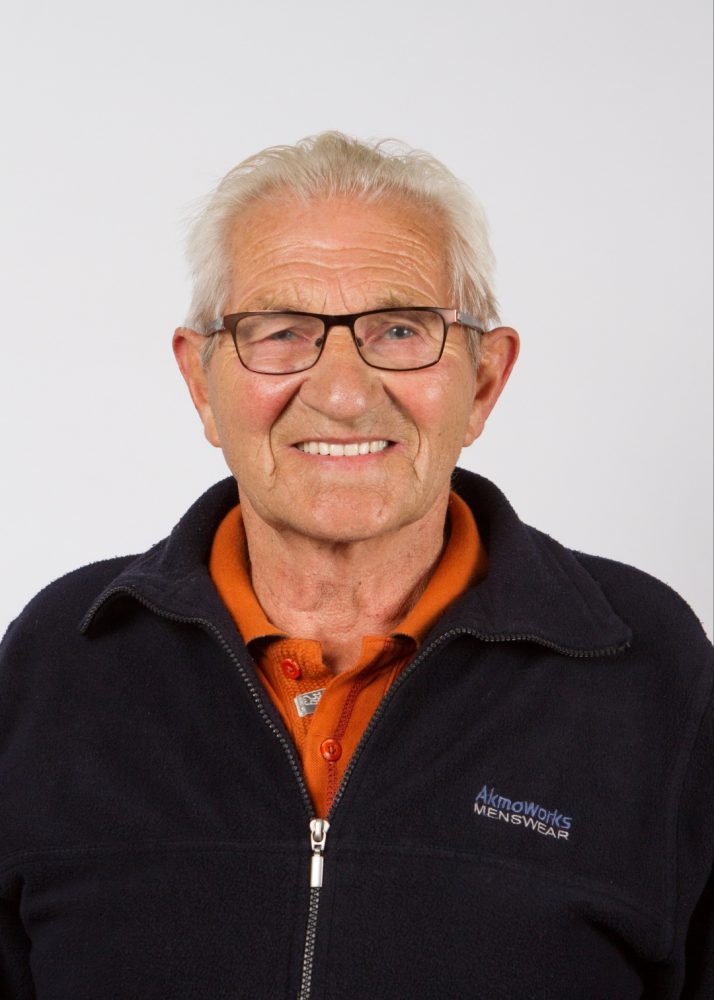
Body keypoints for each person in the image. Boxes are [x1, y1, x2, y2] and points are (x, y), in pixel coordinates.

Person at [0, 132, 711, 1000]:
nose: (342, 394)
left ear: (485, 381)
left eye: (401, 329)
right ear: (201, 383)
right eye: (280, 331)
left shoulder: (650, 667)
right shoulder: (59, 660)